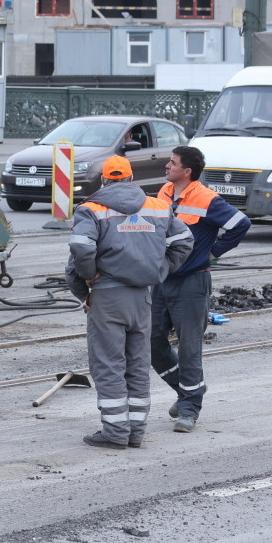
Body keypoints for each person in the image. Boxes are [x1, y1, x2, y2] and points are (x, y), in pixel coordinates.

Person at [66, 155, 191, 450]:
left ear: (104, 181)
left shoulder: (92, 208)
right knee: (137, 364)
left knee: (109, 364)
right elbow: (185, 240)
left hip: (108, 296)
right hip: (142, 297)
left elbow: (81, 247)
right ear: (132, 179)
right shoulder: (158, 207)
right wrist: (160, 269)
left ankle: (115, 432)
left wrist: (88, 277)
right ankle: (135, 431)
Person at [151, 145, 249, 433]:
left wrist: (213, 252)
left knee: (189, 348)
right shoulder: (164, 192)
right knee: (152, 341)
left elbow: (240, 224)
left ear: (187, 171)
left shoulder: (207, 198)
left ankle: (189, 409)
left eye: (173, 162)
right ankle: (188, 390)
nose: (167, 166)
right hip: (162, 280)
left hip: (192, 283)